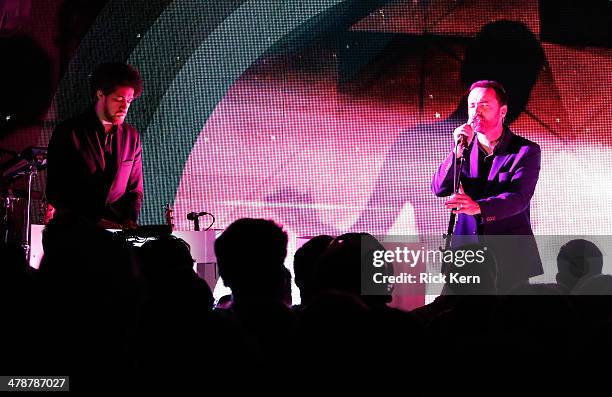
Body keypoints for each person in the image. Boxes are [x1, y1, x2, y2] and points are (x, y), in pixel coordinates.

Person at [432, 80, 543, 292]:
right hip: (465, 254)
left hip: (508, 253)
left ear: (502, 111)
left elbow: (518, 199)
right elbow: (438, 188)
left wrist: (479, 208)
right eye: (472, 106)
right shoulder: (463, 149)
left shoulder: (525, 151)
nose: (476, 112)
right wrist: (456, 153)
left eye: (484, 105)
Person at [46, 63, 143, 229]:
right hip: (76, 231)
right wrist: (93, 221)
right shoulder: (69, 132)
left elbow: (135, 190)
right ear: (100, 94)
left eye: (129, 100)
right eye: (119, 99)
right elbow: (56, 191)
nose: (125, 107)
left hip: (116, 232)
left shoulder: (131, 137)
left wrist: (129, 219)